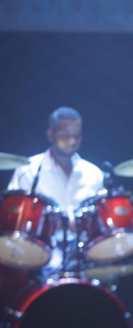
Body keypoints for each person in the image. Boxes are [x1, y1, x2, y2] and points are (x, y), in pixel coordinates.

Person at [6, 106, 104, 275]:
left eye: (77, 135)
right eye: (65, 135)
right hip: (36, 261)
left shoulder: (93, 173)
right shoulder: (28, 170)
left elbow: (100, 223)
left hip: (83, 261)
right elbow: (11, 218)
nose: (72, 140)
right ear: (50, 134)